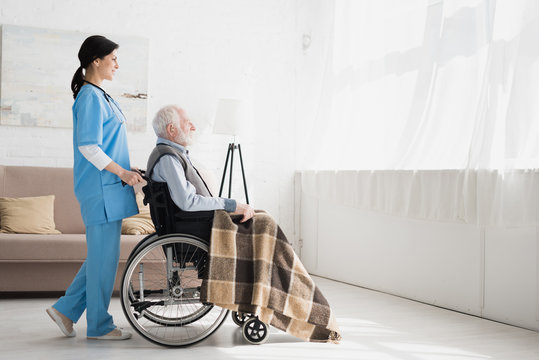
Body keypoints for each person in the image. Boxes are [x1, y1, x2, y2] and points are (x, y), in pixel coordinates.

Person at [46, 35, 143, 340]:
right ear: (96, 60)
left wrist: (128, 169)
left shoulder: (101, 96)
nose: (117, 64)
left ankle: (65, 310)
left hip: (109, 188)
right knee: (103, 260)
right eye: (113, 58)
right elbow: (89, 146)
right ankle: (100, 326)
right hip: (101, 190)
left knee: (102, 257)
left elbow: (109, 145)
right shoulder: (89, 97)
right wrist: (122, 173)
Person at [148, 105, 254, 221]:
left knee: (260, 216)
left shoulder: (171, 154)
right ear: (171, 129)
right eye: (188, 123)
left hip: (198, 219)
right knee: (262, 223)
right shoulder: (168, 158)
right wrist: (231, 204)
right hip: (195, 223)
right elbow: (188, 202)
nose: (193, 127)